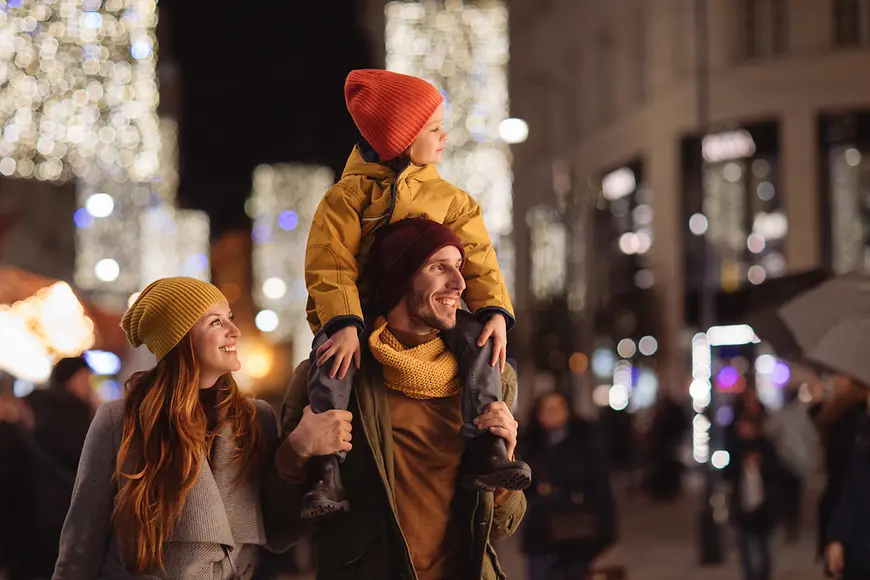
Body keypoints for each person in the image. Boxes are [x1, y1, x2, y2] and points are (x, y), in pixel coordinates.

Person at [300, 69, 521, 517]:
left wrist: (494, 308)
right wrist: (342, 321)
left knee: (480, 342)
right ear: (401, 138)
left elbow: (478, 255)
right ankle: (327, 465)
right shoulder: (347, 198)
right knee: (331, 360)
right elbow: (330, 262)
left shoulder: (450, 199)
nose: (444, 135)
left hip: (429, 316)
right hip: (357, 314)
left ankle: (488, 444)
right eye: (433, 128)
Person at [277, 219, 528, 579]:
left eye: (458, 267)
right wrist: (298, 448)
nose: (459, 283)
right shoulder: (329, 373)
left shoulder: (493, 375)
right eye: (438, 267)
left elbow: (503, 526)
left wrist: (506, 461)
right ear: (399, 278)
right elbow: (278, 524)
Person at [53, 277, 295, 579]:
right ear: (180, 338)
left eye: (230, 319)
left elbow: (281, 534)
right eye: (215, 323)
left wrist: (301, 450)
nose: (234, 331)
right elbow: (81, 543)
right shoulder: (120, 420)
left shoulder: (257, 418)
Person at [14, 357, 98, 579]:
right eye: (85, 379)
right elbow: (83, 461)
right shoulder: (62, 415)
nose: (89, 385)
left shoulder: (57, 411)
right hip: (55, 513)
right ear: (70, 381)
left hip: (48, 512)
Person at [520, 391, 617, 580]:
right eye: (547, 409)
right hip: (540, 533)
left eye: (557, 408)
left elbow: (601, 488)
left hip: (576, 533)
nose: (552, 414)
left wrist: (607, 531)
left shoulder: (585, 443)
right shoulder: (530, 444)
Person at [765, 384, 819, 543]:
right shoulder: (789, 415)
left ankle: (791, 526)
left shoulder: (792, 415)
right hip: (787, 462)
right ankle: (790, 525)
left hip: (793, 462)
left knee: (790, 496)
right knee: (790, 496)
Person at [726, 418, 778, 580]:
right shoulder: (735, 448)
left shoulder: (766, 447)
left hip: (764, 508)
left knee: (763, 547)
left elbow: (776, 474)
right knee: (745, 547)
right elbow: (727, 475)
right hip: (742, 507)